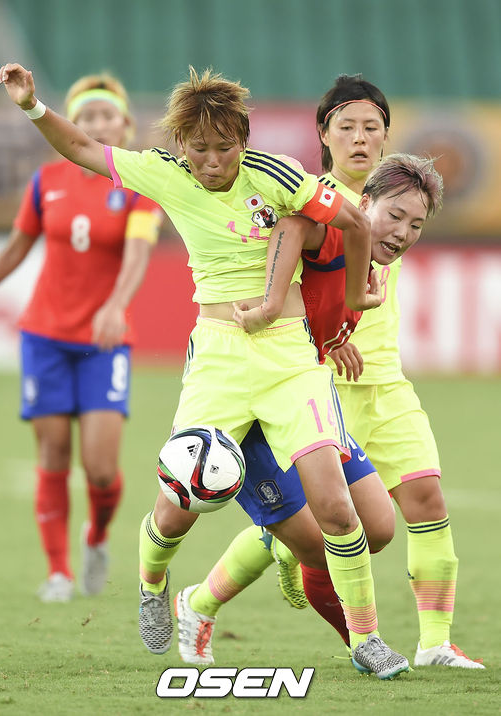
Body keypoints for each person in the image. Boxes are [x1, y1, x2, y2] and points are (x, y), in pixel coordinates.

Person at [0, 61, 410, 679]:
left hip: (290, 359)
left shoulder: (278, 175)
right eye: (199, 149)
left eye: (225, 147)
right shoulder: (165, 173)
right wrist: (31, 105)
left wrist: (354, 295)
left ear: (243, 139)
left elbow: (350, 221)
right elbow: (81, 146)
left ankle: (366, 639)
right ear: (180, 145)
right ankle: (152, 586)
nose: (213, 162)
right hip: (218, 358)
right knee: (175, 511)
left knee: (335, 508)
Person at [179, 74, 483, 670]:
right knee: (317, 530)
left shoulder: (396, 196)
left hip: (386, 381)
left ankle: (435, 644)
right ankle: (208, 598)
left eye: (372, 127)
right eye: (347, 127)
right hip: (320, 386)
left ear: (387, 135)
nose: (360, 138)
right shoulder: (310, 198)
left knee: (424, 498)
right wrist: (322, 337)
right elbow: (279, 274)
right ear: (324, 133)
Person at [0, 72, 163, 602]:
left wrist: (115, 306)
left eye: (108, 115)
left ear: (126, 125)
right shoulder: (46, 182)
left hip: (104, 342)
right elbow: (14, 251)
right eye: (86, 116)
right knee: (53, 454)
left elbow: (138, 254)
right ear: (71, 126)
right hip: (45, 338)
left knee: (101, 470)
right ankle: (57, 572)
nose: (98, 124)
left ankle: (96, 536)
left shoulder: (140, 185)